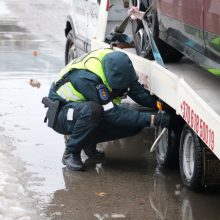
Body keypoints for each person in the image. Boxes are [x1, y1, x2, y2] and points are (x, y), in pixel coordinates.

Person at [43, 48, 170, 171]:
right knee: (93, 111)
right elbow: (112, 114)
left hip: (78, 110)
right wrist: (154, 119)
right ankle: (70, 152)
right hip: (61, 114)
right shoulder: (87, 78)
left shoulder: (119, 64)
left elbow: (136, 91)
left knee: (135, 122)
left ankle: (88, 141)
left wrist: (162, 105)